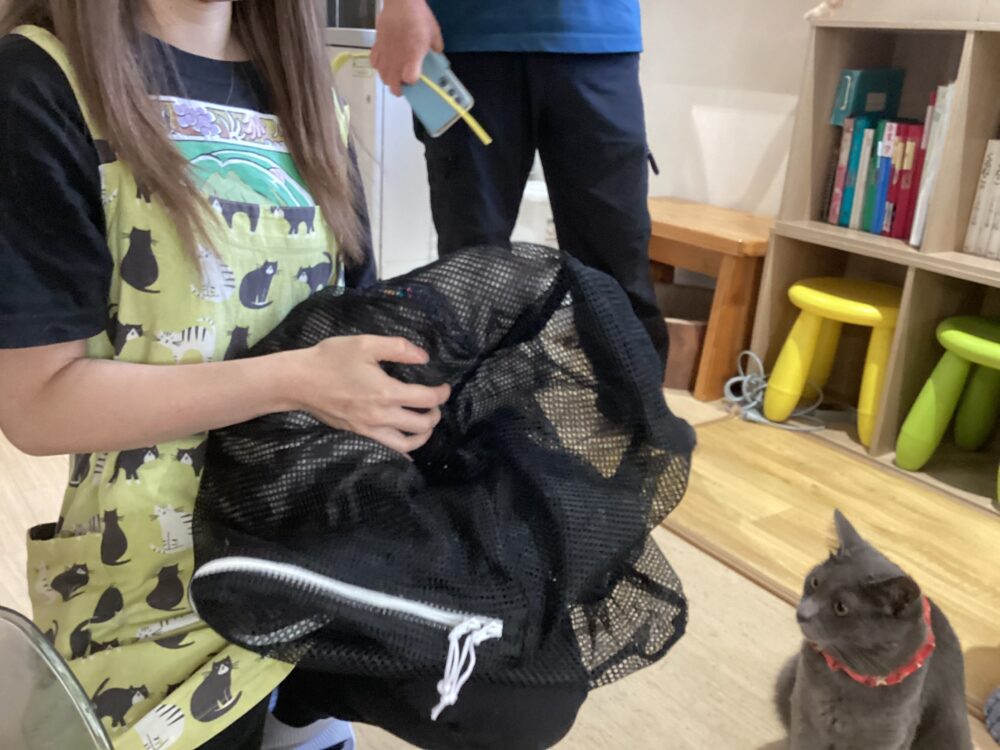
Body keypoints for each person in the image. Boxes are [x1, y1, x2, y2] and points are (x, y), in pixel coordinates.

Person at [0, 1, 450, 748]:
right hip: (148, 606)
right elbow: (37, 404)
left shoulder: (308, 101)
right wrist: (294, 380)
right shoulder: (41, 82)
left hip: (310, 582)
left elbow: (352, 326)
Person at [371, 0, 670, 370]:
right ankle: (475, 403)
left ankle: (637, 404)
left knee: (618, 265)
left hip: (597, 35)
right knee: (472, 268)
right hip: (468, 40)